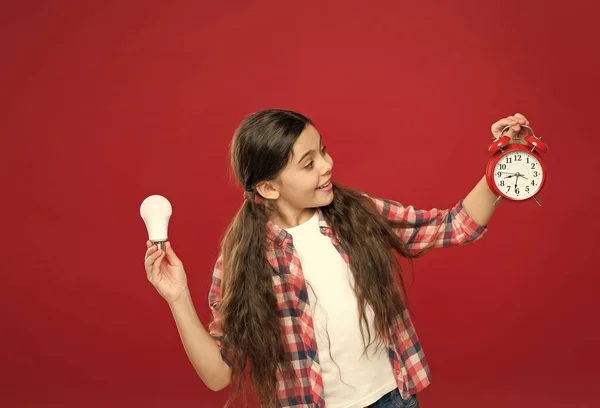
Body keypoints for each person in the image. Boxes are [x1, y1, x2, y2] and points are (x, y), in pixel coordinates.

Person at [143, 109, 530, 408]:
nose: (327, 165)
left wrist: (505, 163)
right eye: (308, 163)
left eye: (322, 150)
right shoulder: (244, 258)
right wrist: (177, 298)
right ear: (268, 187)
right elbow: (218, 375)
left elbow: (454, 226)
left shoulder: (357, 214)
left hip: (393, 398)